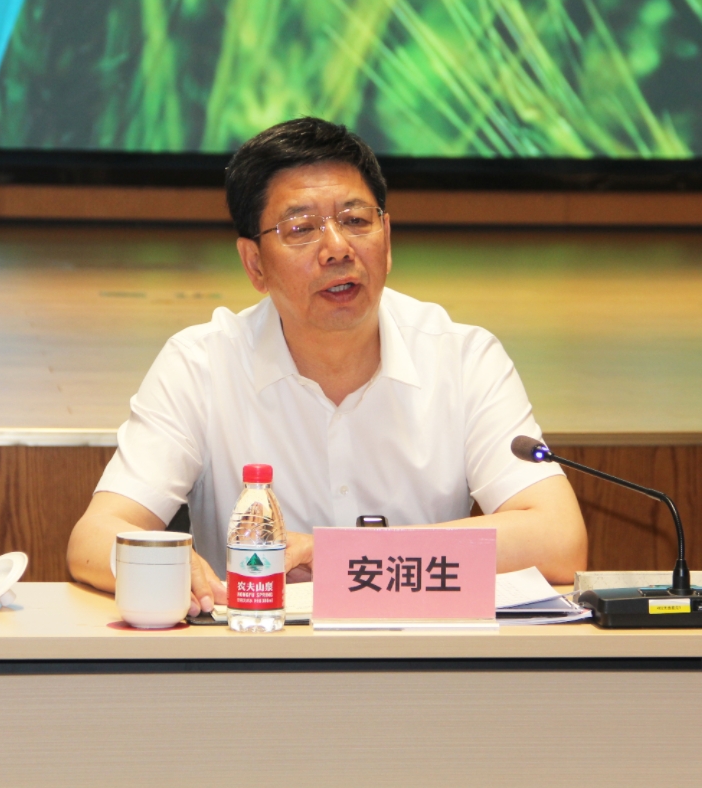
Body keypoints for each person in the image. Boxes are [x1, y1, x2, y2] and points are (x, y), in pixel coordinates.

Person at [67, 117, 587, 615]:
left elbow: (559, 539)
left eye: (356, 221)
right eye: (301, 228)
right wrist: (164, 567)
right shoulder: (201, 365)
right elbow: (94, 538)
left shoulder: (463, 358)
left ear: (387, 240)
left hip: (419, 657)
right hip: (257, 656)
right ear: (254, 264)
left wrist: (336, 555)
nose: (337, 248)